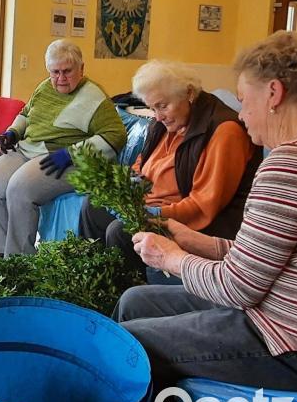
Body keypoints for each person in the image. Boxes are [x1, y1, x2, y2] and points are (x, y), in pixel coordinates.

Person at [118, 31, 297, 402]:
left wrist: (172, 257)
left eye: (243, 99)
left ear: (274, 93)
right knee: (135, 302)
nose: (242, 114)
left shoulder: (294, 161)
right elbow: (275, 257)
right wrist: (196, 242)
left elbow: (239, 288)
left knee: (133, 349)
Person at [79, 60, 261, 280]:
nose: (157, 116)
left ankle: (127, 295)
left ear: (190, 94)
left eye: (163, 106)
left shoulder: (225, 132)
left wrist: (152, 214)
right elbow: (141, 163)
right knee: (93, 205)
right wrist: (124, 184)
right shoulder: (167, 123)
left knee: (120, 231)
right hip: (151, 207)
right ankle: (92, 280)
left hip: (196, 223)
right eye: (152, 108)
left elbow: (202, 207)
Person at [0, 39, 126, 255]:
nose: (60, 78)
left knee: (20, 188)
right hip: (29, 150)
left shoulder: (94, 97)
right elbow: (26, 114)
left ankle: (19, 261)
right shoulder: (44, 87)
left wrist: (70, 155)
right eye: (54, 72)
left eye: (67, 71)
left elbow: (116, 136)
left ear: (81, 68)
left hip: (64, 158)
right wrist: (13, 132)